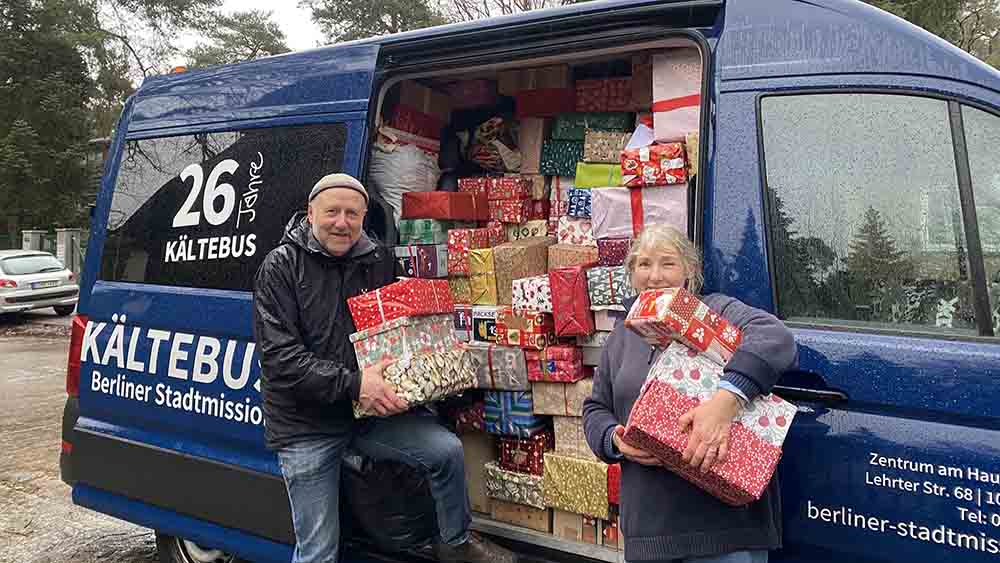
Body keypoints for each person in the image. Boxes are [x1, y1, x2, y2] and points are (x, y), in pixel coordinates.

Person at [253, 173, 515, 563]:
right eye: (332, 213)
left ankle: (455, 542)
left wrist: (428, 372)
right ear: (310, 214)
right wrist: (357, 385)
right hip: (305, 423)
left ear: (363, 217)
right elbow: (280, 361)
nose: (342, 222)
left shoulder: (377, 259)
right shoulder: (281, 267)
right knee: (319, 550)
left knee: (445, 452)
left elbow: (396, 332)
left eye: (352, 214)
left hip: (368, 415)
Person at [582, 224, 798, 563]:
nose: (654, 276)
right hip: (650, 535)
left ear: (689, 270)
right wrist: (614, 440)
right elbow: (596, 409)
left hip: (724, 532)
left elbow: (776, 339)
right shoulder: (622, 335)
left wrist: (726, 401)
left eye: (667, 263)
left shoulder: (714, 311)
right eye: (643, 264)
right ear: (631, 273)